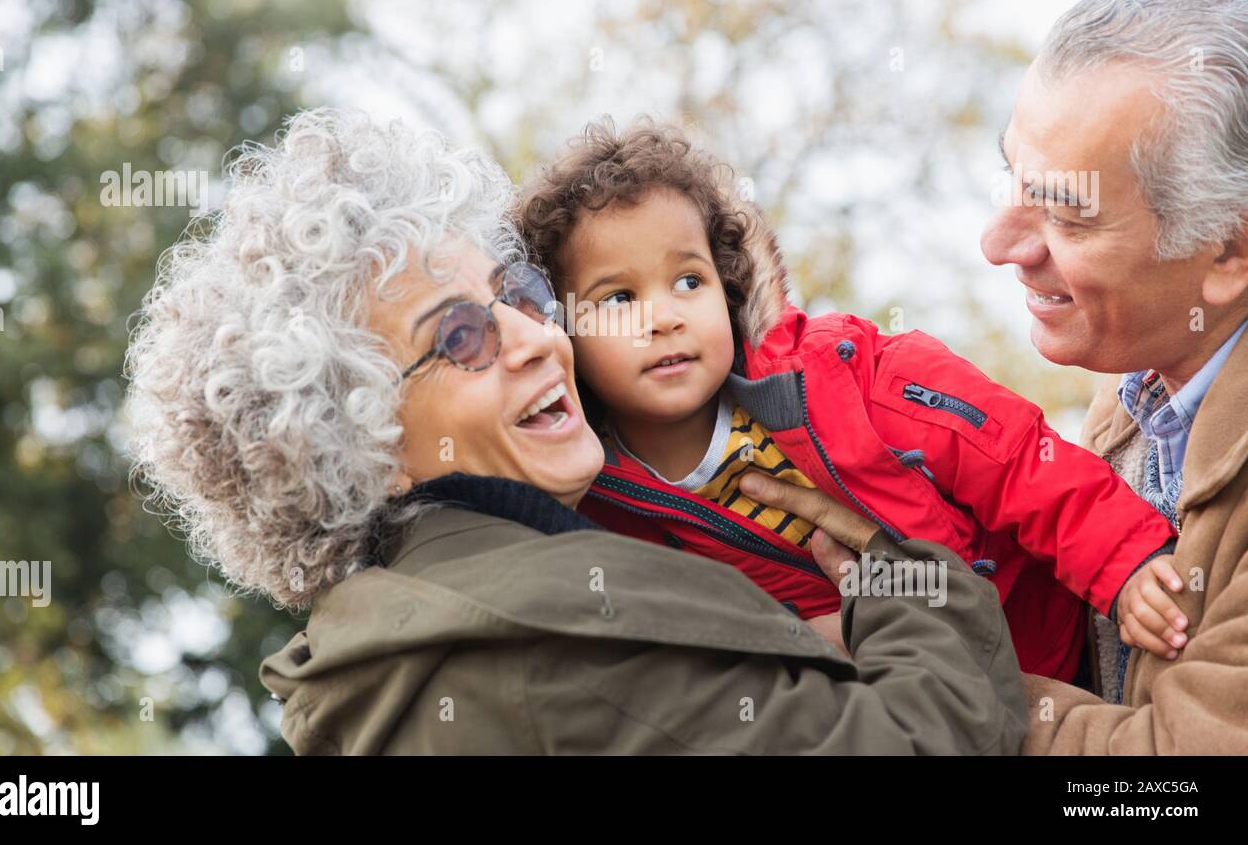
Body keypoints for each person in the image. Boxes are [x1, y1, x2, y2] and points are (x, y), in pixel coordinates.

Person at [123, 107, 1025, 754]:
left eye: (517, 296)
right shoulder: (548, 645)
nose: (539, 339)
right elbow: (917, 739)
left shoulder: (411, 639)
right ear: (358, 448)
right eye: (461, 338)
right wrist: (903, 582)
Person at [514, 117, 1177, 684]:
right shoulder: (595, 495)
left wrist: (1124, 561)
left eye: (689, 279)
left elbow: (1014, 456)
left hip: (1055, 646)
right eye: (620, 299)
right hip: (906, 705)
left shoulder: (839, 377)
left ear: (729, 285)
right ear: (562, 326)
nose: (664, 317)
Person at [980, 0, 1248, 753]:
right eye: (1011, 179)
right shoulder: (1130, 413)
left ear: (1228, 252)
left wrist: (927, 678)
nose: (1000, 246)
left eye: (1066, 216)